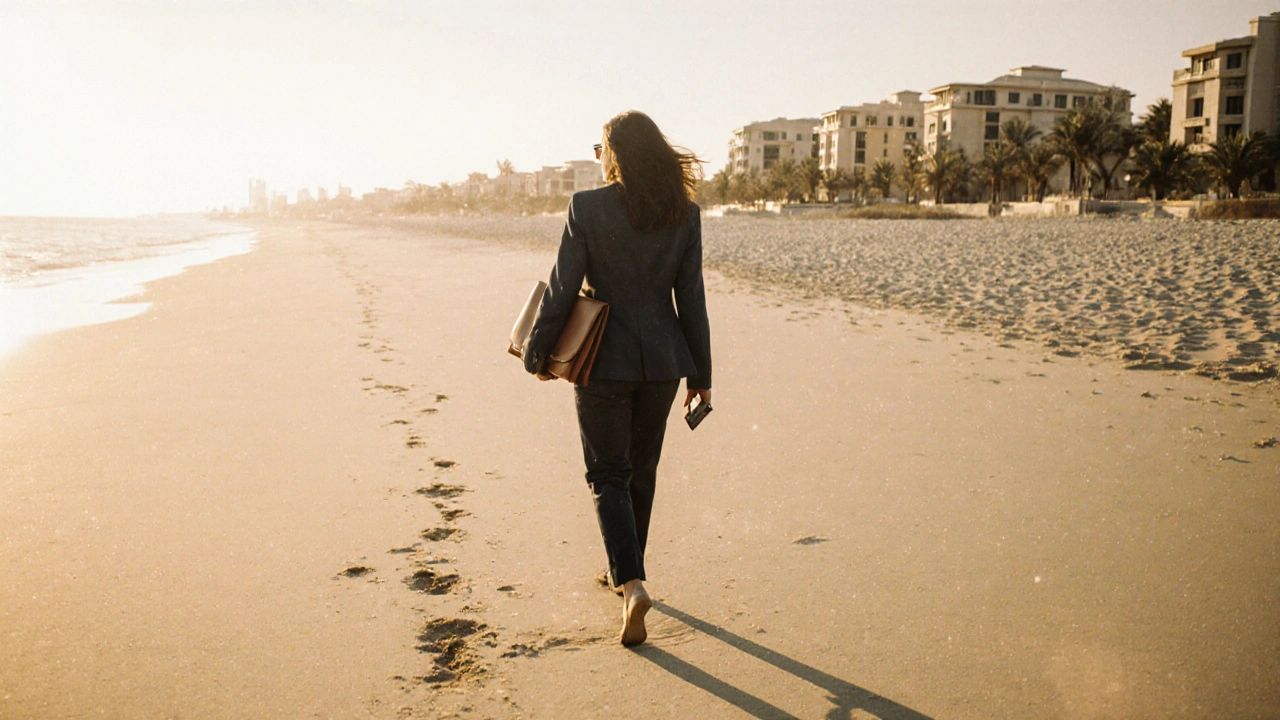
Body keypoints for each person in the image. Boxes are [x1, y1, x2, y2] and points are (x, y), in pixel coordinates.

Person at [522, 110, 712, 646]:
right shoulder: (685, 214)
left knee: (607, 474)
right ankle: (628, 573)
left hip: (602, 359)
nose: (598, 155)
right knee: (640, 471)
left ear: (615, 155)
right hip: (664, 364)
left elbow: (562, 289)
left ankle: (630, 583)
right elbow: (691, 301)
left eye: (600, 147)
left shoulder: (587, 207)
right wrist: (702, 375)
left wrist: (537, 354)